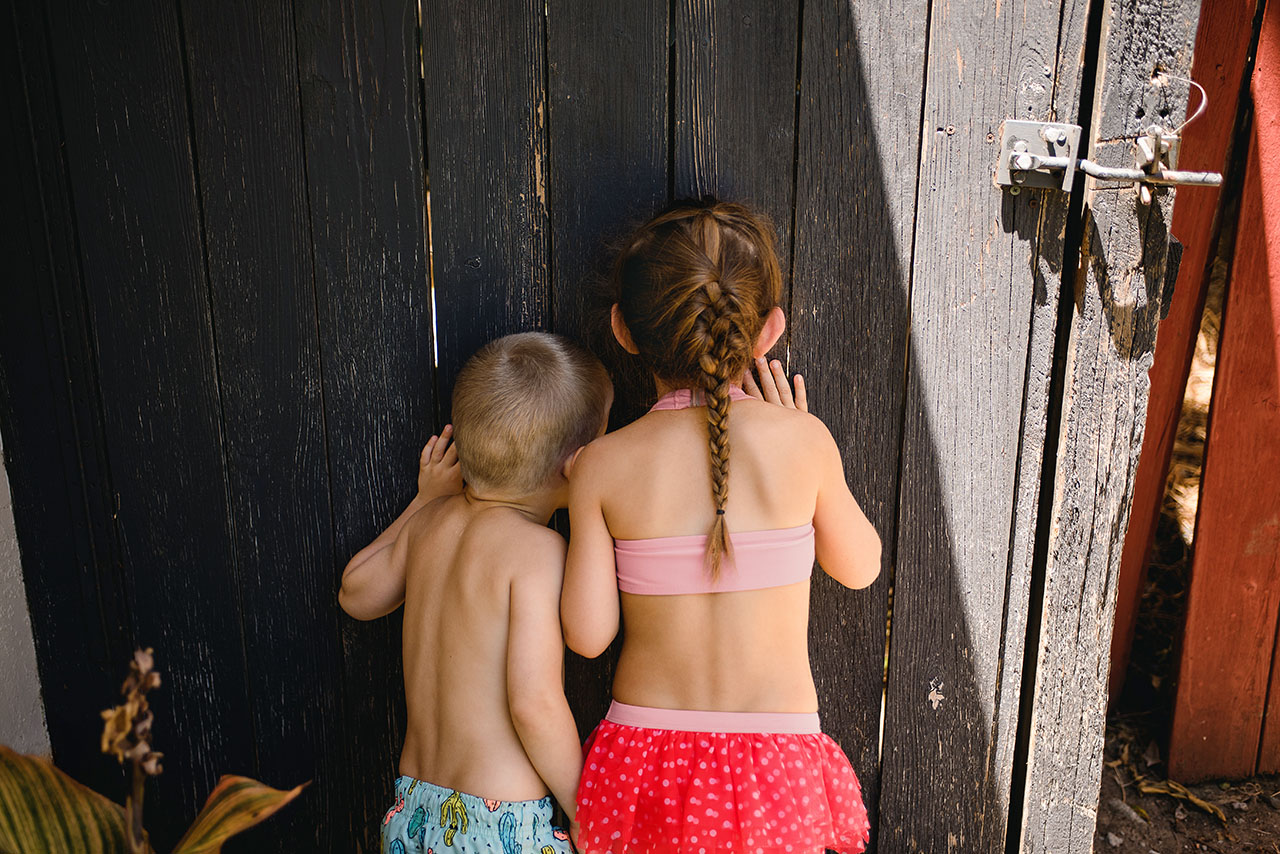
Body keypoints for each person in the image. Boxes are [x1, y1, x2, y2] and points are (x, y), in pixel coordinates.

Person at [561, 199, 882, 854]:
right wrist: (801, 435)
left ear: (623, 329)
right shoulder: (804, 443)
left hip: (646, 761)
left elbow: (589, 638)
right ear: (768, 332)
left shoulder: (601, 467)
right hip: (776, 765)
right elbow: (861, 566)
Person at [340, 332, 613, 854]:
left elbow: (355, 592)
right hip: (498, 824)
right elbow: (533, 702)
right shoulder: (539, 551)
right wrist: (584, 807)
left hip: (413, 809)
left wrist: (423, 501)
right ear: (575, 463)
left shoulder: (429, 527)